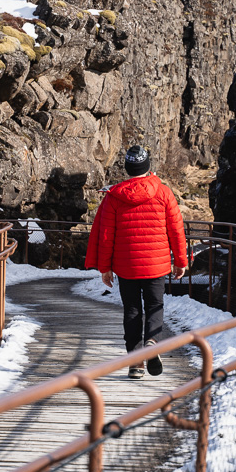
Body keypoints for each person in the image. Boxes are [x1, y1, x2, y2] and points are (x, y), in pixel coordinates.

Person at [85, 145, 188, 379]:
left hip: (126, 266)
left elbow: (106, 235)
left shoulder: (114, 197)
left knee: (132, 310)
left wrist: (105, 267)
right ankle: (152, 341)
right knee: (155, 306)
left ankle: (135, 363)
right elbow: (176, 230)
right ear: (147, 166)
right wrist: (181, 261)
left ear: (127, 168)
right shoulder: (163, 193)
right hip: (157, 265)